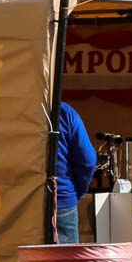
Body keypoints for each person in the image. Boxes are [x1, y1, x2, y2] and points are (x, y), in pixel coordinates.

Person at [54, 102, 97, 244]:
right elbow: (87, 161)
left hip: (18, 200)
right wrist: (76, 192)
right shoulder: (64, 112)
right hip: (61, 199)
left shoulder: (10, 110)